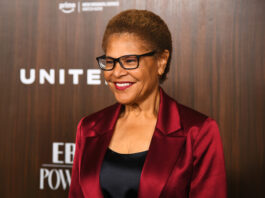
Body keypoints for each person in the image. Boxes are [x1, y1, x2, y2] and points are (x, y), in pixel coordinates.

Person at [69, 9, 227, 198]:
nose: (116, 73)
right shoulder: (88, 128)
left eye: (129, 61)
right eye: (110, 61)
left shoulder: (198, 132)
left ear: (161, 61)